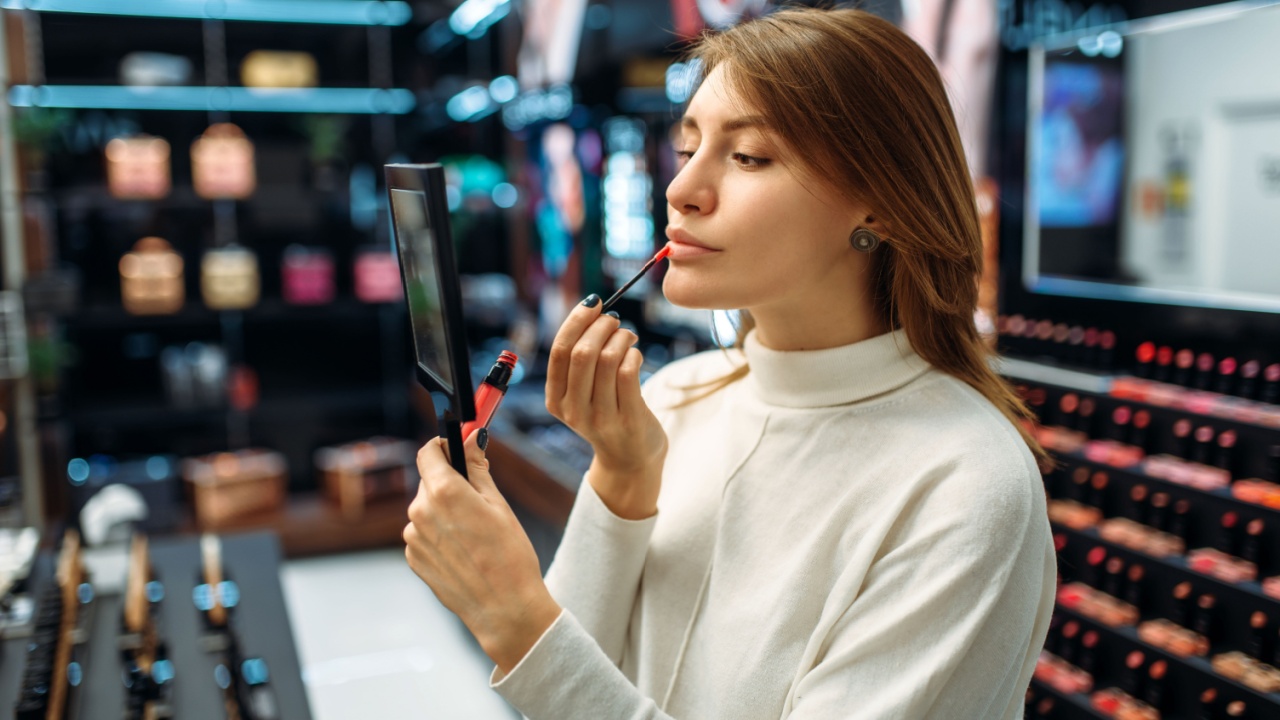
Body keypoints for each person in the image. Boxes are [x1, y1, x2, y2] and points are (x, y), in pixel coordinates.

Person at [403, 7, 1056, 718]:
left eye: (747, 156)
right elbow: (562, 694)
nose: (681, 191)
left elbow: (550, 664)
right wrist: (621, 480)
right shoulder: (677, 399)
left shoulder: (966, 488)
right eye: (687, 151)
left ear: (883, 206)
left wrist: (516, 618)